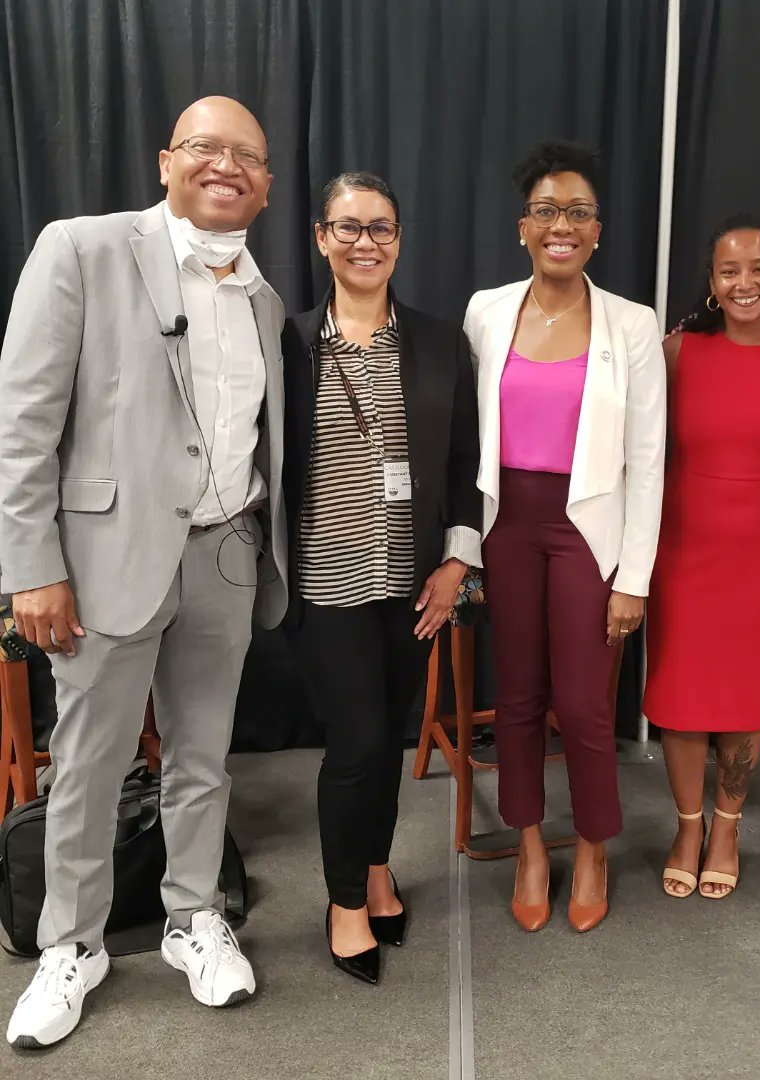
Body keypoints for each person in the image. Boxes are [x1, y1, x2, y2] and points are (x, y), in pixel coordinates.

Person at [0, 96, 288, 1048]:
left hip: (224, 552)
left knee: (204, 761)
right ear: (166, 160)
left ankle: (191, 917)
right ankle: (69, 946)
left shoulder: (264, 294)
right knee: (88, 765)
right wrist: (31, 566)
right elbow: (25, 421)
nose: (226, 166)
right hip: (102, 562)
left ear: (267, 183)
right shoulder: (82, 249)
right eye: (206, 147)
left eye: (246, 155)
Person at [280, 173, 481, 984]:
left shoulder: (438, 342)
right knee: (356, 744)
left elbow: (468, 462)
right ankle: (343, 899)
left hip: (413, 584)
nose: (367, 243)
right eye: (349, 228)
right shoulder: (289, 344)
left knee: (390, 738)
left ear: (400, 239)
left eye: (382, 228)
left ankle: (375, 869)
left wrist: (458, 563)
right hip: (325, 585)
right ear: (322, 239)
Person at [464, 141, 666, 933]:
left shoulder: (632, 324)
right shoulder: (488, 310)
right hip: (507, 526)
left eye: (577, 212)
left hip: (590, 531)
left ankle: (590, 845)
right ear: (523, 227)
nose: (562, 225)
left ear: (597, 231)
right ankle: (528, 845)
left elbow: (649, 462)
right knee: (515, 697)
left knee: (583, 705)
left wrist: (635, 577)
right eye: (547, 210)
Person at [645, 214, 760, 900]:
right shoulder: (676, 351)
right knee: (683, 698)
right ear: (712, 282)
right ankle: (687, 826)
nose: (744, 282)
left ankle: (727, 826)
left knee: (746, 699)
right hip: (685, 552)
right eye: (729, 270)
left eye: (758, 268)